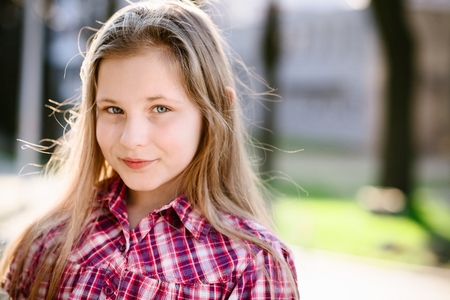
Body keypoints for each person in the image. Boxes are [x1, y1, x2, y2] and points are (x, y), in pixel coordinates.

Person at [0, 0, 299, 299]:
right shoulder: (48, 241)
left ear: (215, 111)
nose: (132, 139)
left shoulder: (252, 265)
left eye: (160, 108)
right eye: (113, 109)